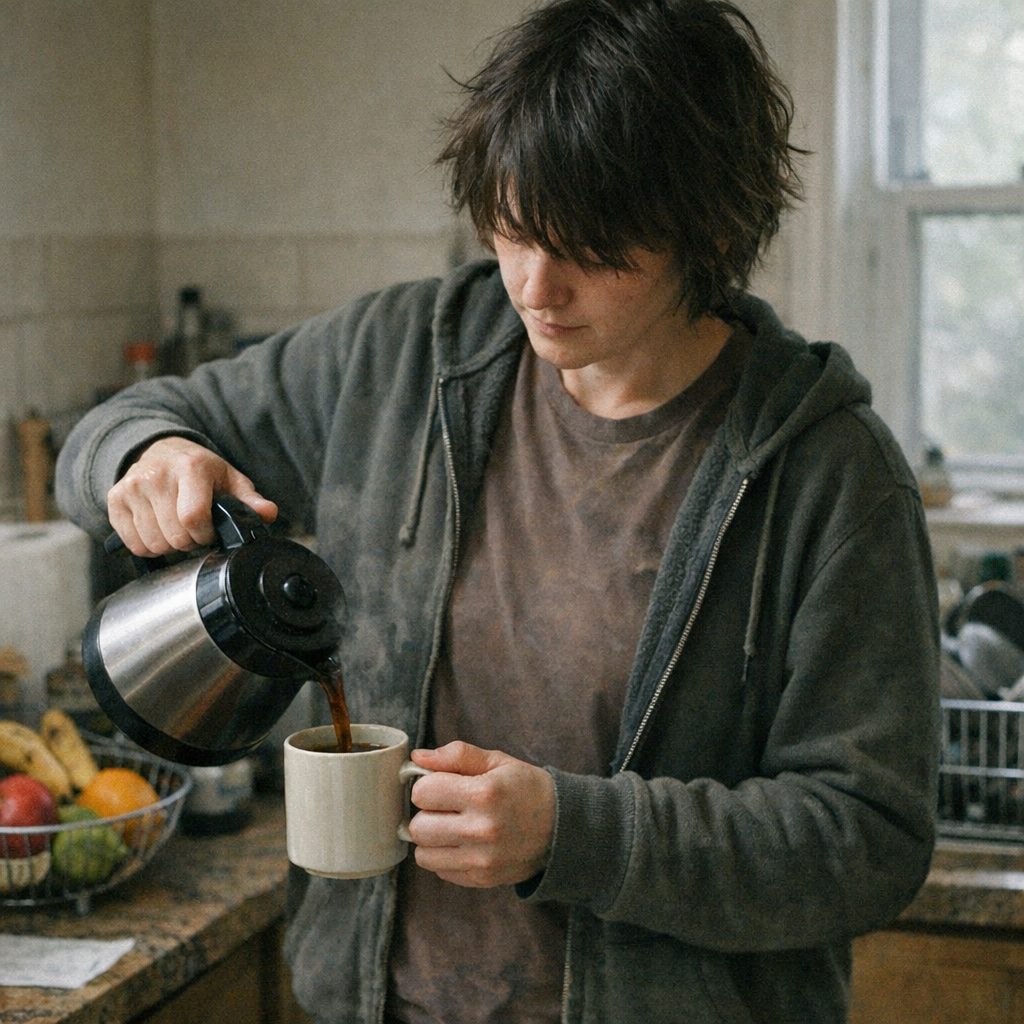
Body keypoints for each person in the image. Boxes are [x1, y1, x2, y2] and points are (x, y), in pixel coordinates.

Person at [56, 0, 941, 1021]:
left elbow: (868, 841)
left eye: (594, 248)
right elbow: (125, 423)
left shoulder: (828, 475)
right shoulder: (398, 358)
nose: (535, 284)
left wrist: (573, 835)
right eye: (513, 227)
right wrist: (148, 453)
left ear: (712, 228)